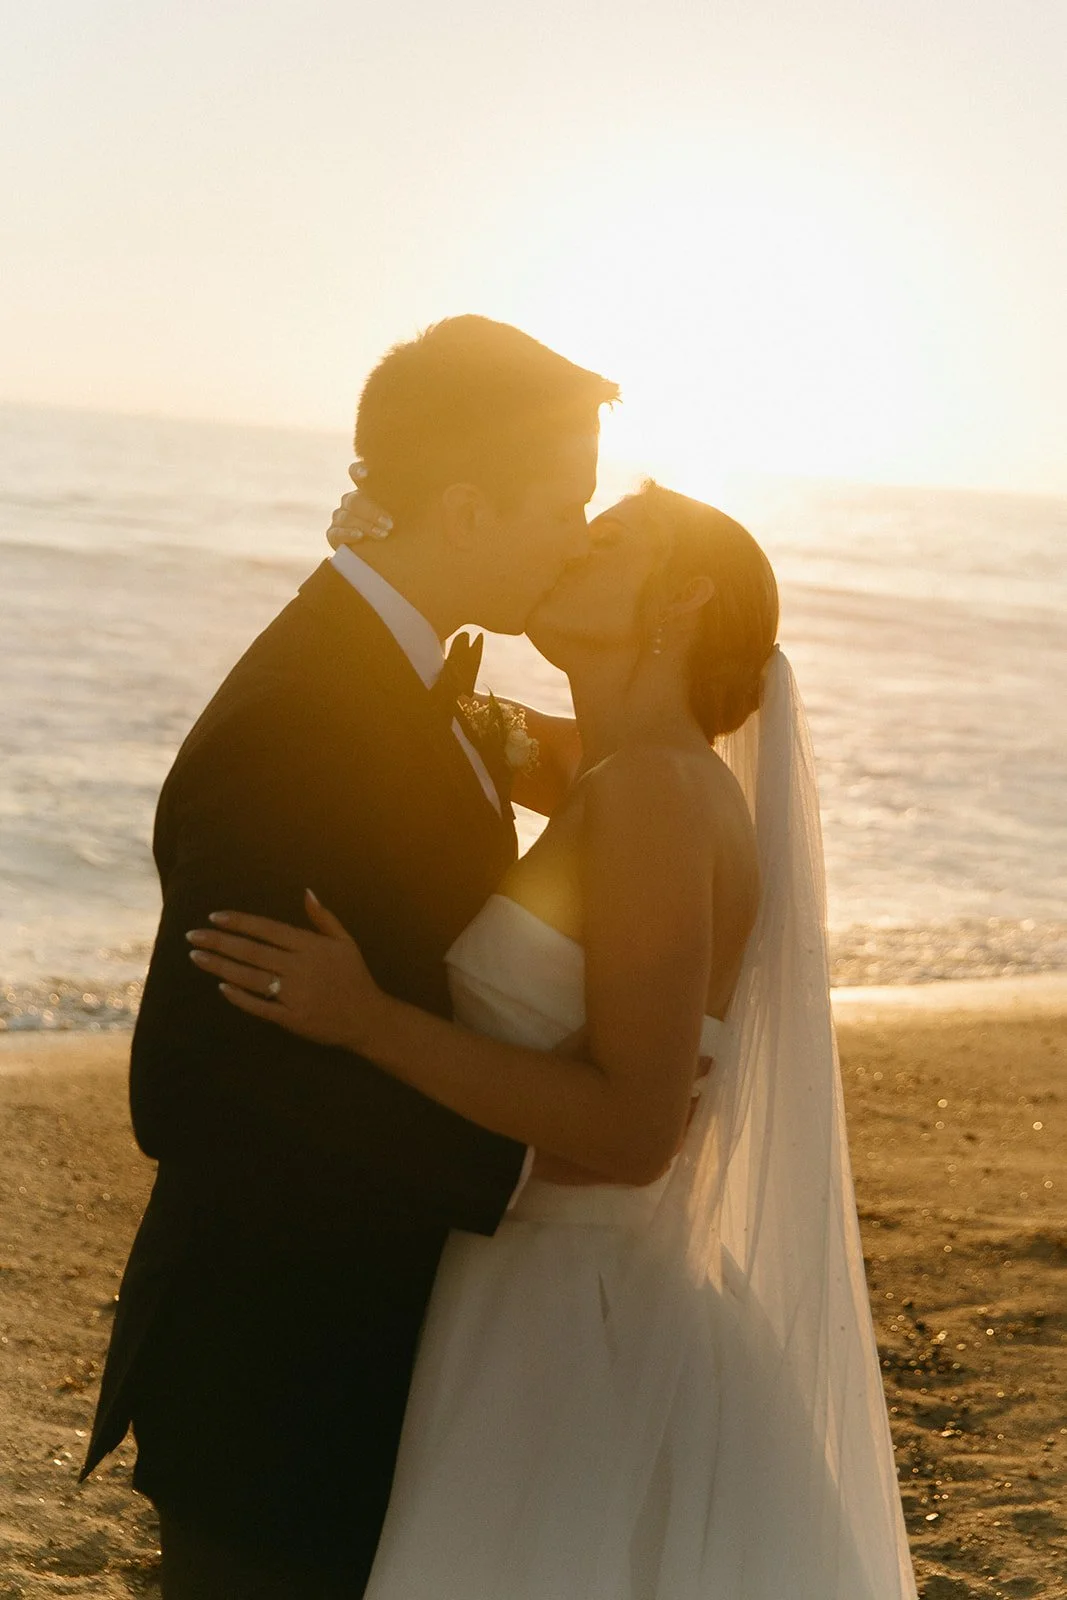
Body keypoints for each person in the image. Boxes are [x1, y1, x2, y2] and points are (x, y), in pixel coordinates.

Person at [187, 482, 919, 1597]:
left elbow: (633, 1130)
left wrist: (369, 1020)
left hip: (564, 1313)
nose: (568, 546)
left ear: (682, 596)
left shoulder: (657, 799)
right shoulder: (621, 769)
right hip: (532, 1272)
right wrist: (393, 532)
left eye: (606, 539)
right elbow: (425, 705)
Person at [80, 315, 620, 1599]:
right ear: (468, 508)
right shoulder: (296, 722)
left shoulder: (410, 672)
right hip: (274, 1364)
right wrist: (551, 1159)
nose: (579, 539)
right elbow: (202, 1086)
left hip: (362, 1338)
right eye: (567, 505)